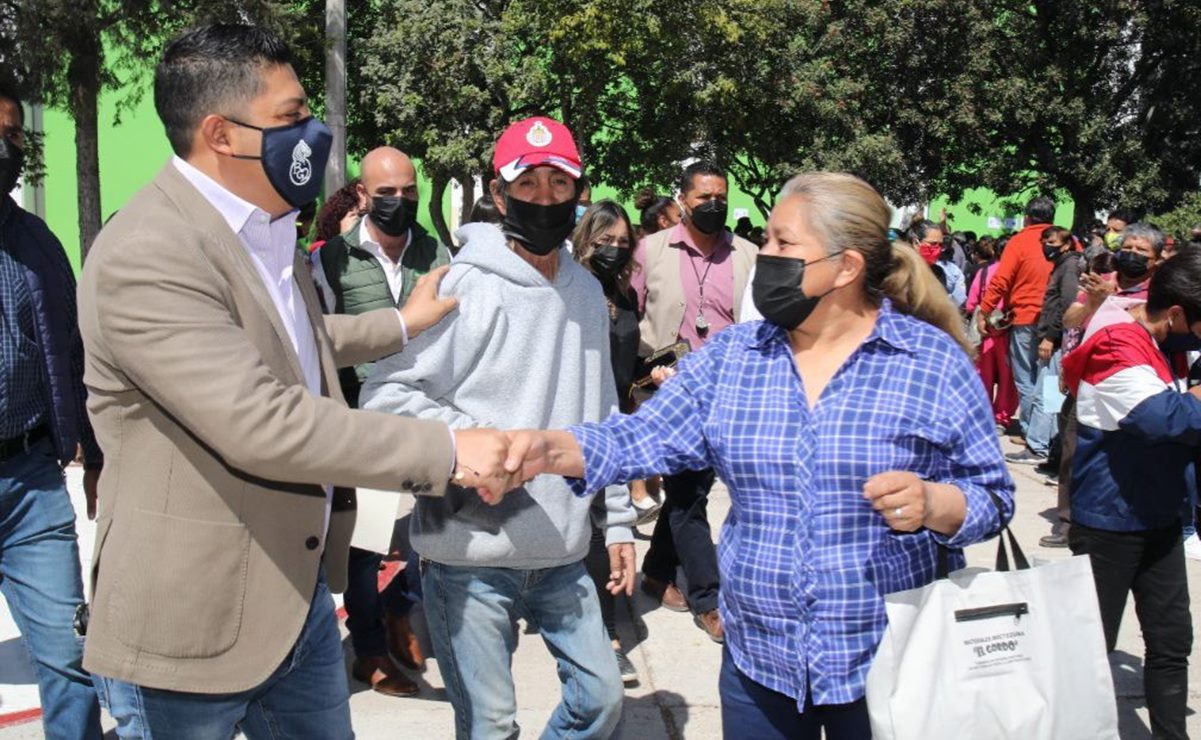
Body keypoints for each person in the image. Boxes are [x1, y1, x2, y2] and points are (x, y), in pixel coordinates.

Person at [76, 25, 514, 738]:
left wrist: (402, 324)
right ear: (221, 133)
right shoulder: (150, 251)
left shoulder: (263, 228)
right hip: (194, 618)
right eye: (289, 117)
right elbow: (260, 418)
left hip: (293, 593)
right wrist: (447, 450)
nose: (310, 134)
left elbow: (291, 343)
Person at [504, 172, 1014, 740]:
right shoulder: (736, 358)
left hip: (888, 659)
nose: (763, 256)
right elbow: (637, 439)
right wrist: (542, 449)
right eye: (766, 239)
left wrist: (936, 503)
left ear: (845, 267)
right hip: (760, 665)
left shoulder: (930, 363)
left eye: (782, 243)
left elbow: (991, 494)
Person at [361, 116, 634, 740]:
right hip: (468, 557)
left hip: (565, 550)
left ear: (578, 190)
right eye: (527, 183)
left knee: (601, 702)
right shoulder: (463, 287)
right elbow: (385, 391)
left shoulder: (588, 293)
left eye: (558, 183)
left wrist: (617, 519)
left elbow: (603, 416)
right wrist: (474, 441)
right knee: (489, 727)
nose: (544, 197)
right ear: (498, 189)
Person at [313, 146, 453, 696]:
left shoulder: (436, 251)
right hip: (360, 422)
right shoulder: (332, 261)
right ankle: (368, 650)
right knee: (365, 547)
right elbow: (324, 343)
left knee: (425, 533)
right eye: (387, 193)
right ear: (365, 195)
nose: (399, 201)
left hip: (423, 414)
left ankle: (401, 613)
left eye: (408, 190)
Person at [1060, 250, 1201, 740]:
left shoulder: (1162, 343)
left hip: (1159, 514)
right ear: (1179, 313)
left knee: (1171, 640)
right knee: (1091, 643)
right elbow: (1164, 418)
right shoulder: (1119, 343)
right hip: (1110, 521)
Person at [0, 83, 103, 740]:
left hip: (32, 480)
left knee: (69, 655)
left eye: (11, 134)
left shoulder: (37, 243)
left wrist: (94, 456)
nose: (3, 147)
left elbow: (75, 355)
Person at [630, 160, 758, 642]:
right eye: (704, 197)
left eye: (720, 196)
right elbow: (629, 316)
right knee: (688, 496)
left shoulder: (747, 253)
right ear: (682, 200)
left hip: (728, 395)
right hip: (671, 393)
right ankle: (709, 598)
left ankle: (657, 573)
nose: (714, 204)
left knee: (690, 494)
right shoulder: (651, 251)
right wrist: (635, 381)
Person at [572, 200, 647, 685]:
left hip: (619, 419)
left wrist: (650, 374)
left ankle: (604, 632)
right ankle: (607, 636)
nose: (615, 251)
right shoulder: (573, 292)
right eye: (605, 242)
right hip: (581, 422)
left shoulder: (626, 294)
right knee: (597, 530)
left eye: (622, 243)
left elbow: (626, 363)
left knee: (608, 529)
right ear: (587, 241)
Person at [975, 196, 1057, 458]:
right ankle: (1051, 436)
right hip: (1058, 322)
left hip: (1025, 319)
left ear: (1027, 217)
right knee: (1053, 381)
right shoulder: (1068, 241)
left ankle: (1035, 438)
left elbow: (1002, 279)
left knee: (1027, 380)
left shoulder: (1020, 241)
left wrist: (984, 311)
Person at [1031, 226, 1085, 546]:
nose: (1046, 247)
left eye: (1052, 243)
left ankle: (1051, 448)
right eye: (1045, 242)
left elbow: (1067, 308)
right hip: (1059, 344)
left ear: (1066, 244)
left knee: (1050, 398)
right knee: (1053, 401)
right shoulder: (1061, 266)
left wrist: (1052, 336)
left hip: (1061, 345)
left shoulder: (1069, 269)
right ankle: (1053, 450)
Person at [965, 237, 1018, 431]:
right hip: (1008, 331)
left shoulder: (984, 272)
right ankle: (1001, 417)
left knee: (983, 376)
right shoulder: (1017, 274)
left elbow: (971, 303)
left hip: (984, 330)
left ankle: (982, 413)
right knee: (1007, 378)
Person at [909, 219, 965, 307]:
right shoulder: (901, 270)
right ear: (916, 243)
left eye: (940, 245)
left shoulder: (939, 272)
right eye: (933, 244)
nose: (938, 249)